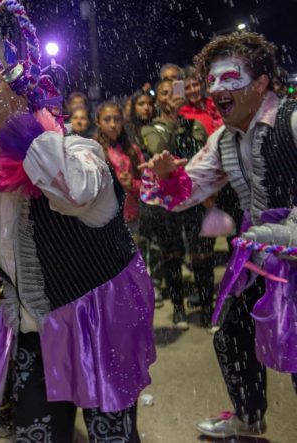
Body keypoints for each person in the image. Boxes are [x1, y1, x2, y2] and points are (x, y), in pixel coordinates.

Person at [0, 1, 155, 440]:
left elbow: (75, 193)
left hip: (98, 325)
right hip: (34, 329)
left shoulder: (81, 153)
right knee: (34, 434)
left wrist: (18, 126)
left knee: (112, 436)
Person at [140, 32, 297, 438]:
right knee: (230, 331)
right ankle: (249, 417)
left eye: (229, 77)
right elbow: (187, 191)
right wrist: (168, 177)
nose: (216, 89)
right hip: (261, 257)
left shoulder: (291, 120)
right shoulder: (224, 139)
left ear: (261, 82)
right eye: (211, 80)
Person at [142, 78, 212, 330]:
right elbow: (160, 151)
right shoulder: (150, 129)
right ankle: (178, 310)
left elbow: (201, 155)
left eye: (174, 91)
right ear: (158, 99)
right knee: (172, 255)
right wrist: (171, 121)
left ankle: (207, 308)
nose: (171, 96)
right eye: (164, 93)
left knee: (201, 254)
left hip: (193, 201)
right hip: (167, 205)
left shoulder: (194, 125)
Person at [94, 102, 144, 232]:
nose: (112, 124)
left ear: (123, 121)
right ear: (98, 122)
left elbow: (148, 186)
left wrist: (132, 185)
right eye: (107, 119)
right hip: (103, 220)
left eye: (117, 119)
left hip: (130, 217)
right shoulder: (92, 151)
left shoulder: (132, 150)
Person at [179, 66, 223, 135]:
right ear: (182, 92)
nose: (193, 90)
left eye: (195, 85)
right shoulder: (183, 116)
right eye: (187, 88)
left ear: (201, 85)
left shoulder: (216, 103)